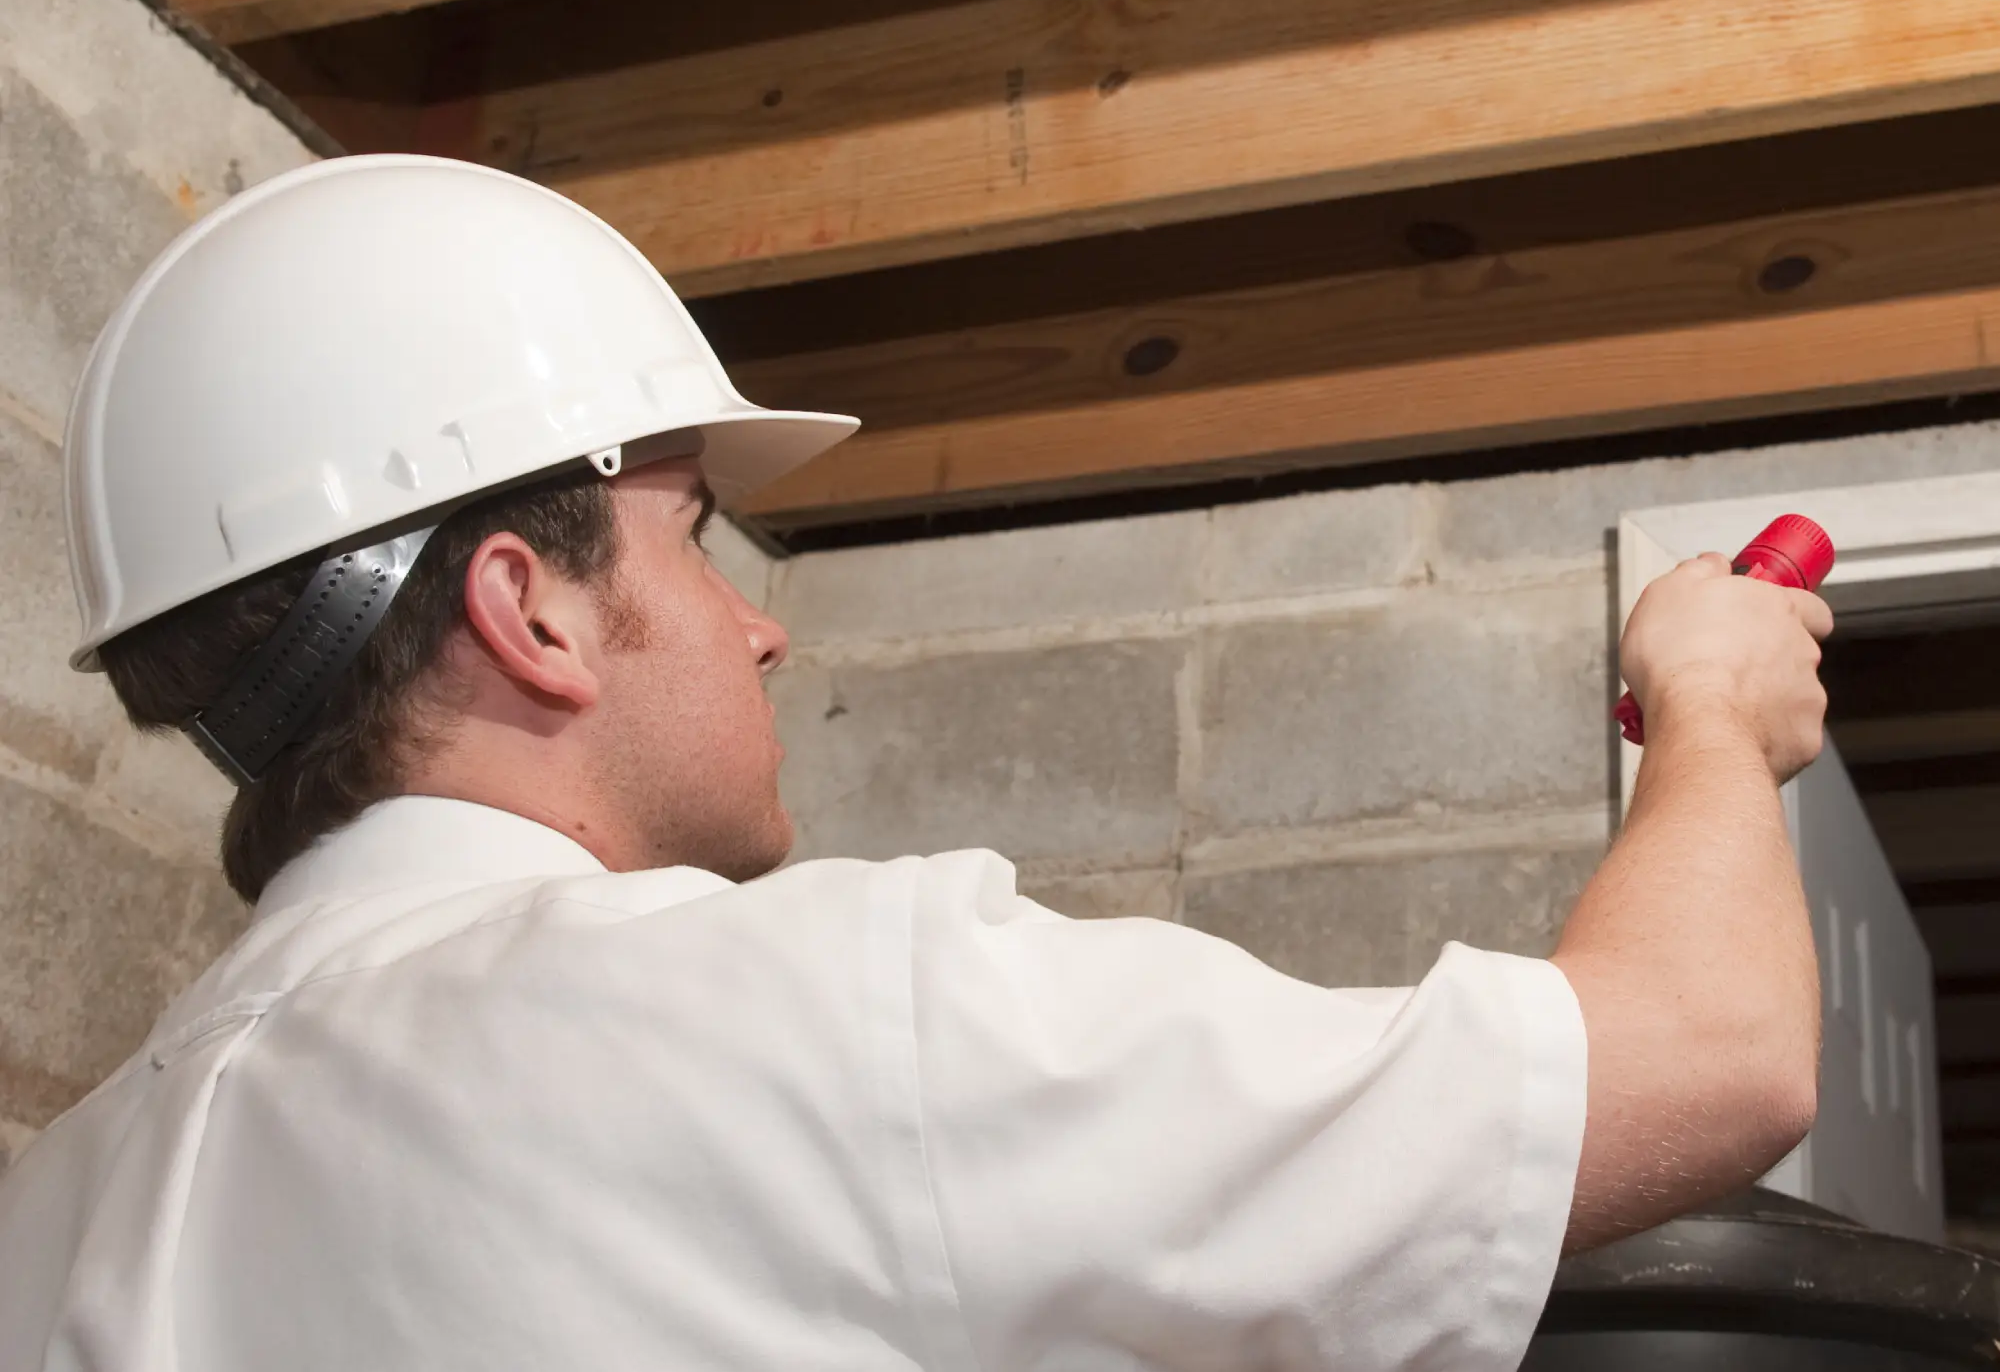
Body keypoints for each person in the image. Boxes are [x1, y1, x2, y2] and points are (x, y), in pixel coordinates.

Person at [0, 155, 1830, 1370]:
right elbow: (1707, 1052)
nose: (760, 628)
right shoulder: (809, 1009)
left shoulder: (54, 1213)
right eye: (694, 541)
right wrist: (1716, 707)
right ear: (530, 610)